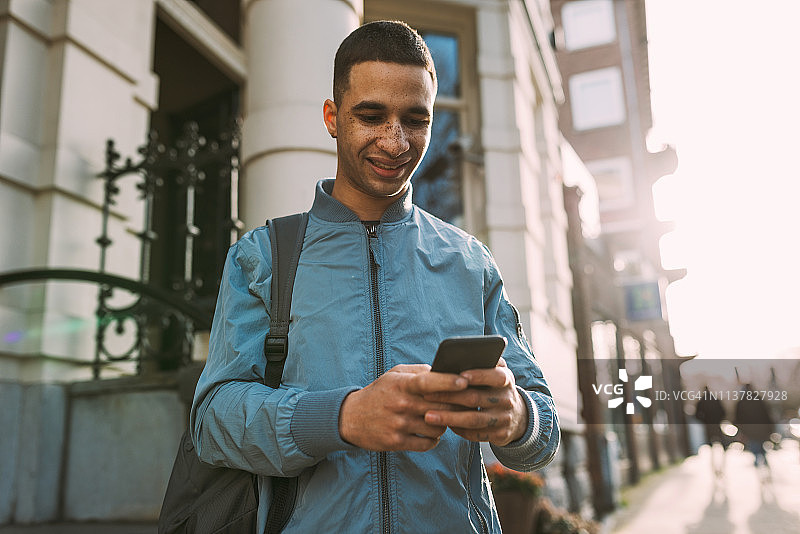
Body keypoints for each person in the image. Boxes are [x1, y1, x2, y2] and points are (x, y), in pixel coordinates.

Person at [190, 20, 559, 533]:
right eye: (371, 115)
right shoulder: (263, 257)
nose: (396, 141)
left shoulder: (470, 262)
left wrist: (516, 416)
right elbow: (212, 423)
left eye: (416, 119)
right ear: (333, 117)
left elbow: (543, 428)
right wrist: (344, 416)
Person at [734, 384, 774, 469]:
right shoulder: (759, 399)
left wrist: (740, 430)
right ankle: (763, 458)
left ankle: (757, 460)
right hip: (761, 428)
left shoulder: (741, 402)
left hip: (749, 429)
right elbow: (767, 414)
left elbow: (738, 418)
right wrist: (770, 428)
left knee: (754, 444)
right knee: (760, 443)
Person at [694, 386, 728, 477]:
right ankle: (721, 466)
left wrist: (704, 420)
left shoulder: (701, 401)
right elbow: (723, 412)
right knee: (722, 446)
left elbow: (696, 415)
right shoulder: (715, 399)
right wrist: (719, 420)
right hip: (717, 426)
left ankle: (714, 468)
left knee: (711, 448)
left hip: (708, 427)